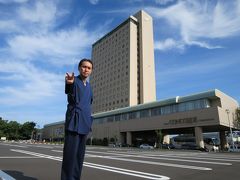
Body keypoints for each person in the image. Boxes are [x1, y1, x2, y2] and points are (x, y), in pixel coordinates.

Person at [61, 58, 93, 180]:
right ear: (79, 68)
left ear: (91, 71)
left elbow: (88, 104)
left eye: (89, 68)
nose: (86, 69)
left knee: (79, 157)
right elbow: (68, 90)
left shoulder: (89, 87)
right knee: (70, 156)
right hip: (74, 122)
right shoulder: (74, 81)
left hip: (85, 123)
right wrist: (69, 82)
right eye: (84, 67)